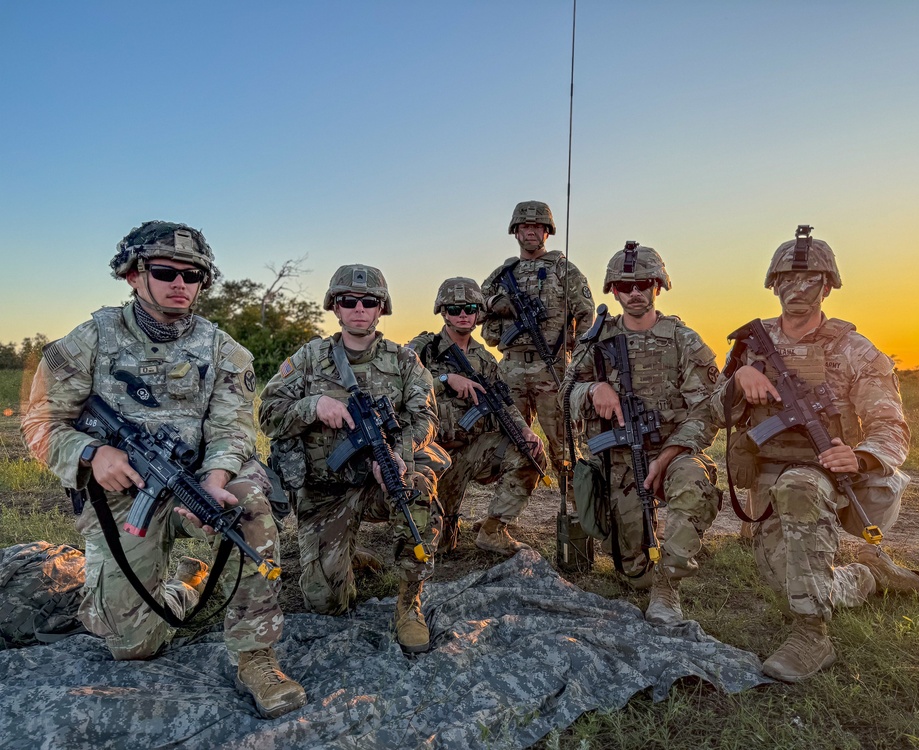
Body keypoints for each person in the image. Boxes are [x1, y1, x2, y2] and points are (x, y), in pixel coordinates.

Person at [21, 221, 306, 719]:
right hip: (124, 495)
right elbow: (40, 422)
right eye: (165, 271)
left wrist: (214, 481)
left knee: (251, 508)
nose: (180, 283)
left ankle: (256, 657)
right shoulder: (89, 340)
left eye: (192, 274)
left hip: (198, 480)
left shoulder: (223, 350)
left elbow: (234, 431)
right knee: (132, 646)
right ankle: (182, 583)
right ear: (134, 275)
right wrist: (93, 454)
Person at [711, 226, 919, 683]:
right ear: (773, 285)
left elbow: (891, 427)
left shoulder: (854, 351)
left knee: (800, 485)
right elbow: (713, 409)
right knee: (780, 575)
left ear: (827, 286)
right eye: (787, 280)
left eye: (810, 280)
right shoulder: (751, 344)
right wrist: (738, 380)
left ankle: (813, 636)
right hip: (766, 477)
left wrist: (862, 457)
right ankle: (865, 577)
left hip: (821, 477)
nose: (798, 290)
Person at [259, 265, 443, 655]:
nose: (359, 308)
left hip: (382, 479)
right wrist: (313, 405)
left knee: (419, 493)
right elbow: (268, 413)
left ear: (381, 309)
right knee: (325, 604)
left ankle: (410, 603)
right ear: (336, 308)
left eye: (369, 302)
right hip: (326, 490)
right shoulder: (309, 358)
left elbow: (426, 418)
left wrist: (398, 453)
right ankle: (345, 548)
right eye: (349, 301)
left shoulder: (404, 361)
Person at [561, 243, 721, 624]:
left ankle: (668, 586)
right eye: (624, 285)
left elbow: (708, 408)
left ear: (658, 287)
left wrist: (668, 457)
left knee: (693, 481)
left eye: (643, 284)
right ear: (613, 291)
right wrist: (593, 390)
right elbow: (565, 394)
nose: (634, 293)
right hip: (620, 458)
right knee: (633, 574)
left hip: (674, 451)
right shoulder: (597, 340)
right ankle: (656, 560)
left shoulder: (684, 340)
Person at [407, 278, 546, 555]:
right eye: (455, 309)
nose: (463, 314)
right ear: (443, 312)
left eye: (470, 308)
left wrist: (526, 431)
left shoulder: (485, 359)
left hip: (473, 450)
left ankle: (493, 529)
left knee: (530, 454)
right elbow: (400, 388)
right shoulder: (424, 349)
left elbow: (504, 403)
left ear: (478, 313)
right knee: (439, 549)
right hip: (431, 455)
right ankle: (424, 517)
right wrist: (446, 379)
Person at [481, 201, 595, 491]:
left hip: (552, 367)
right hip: (511, 367)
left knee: (564, 444)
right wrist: (495, 303)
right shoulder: (503, 274)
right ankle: (502, 517)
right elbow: (473, 303)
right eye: (524, 226)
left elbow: (586, 314)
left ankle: (577, 511)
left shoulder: (563, 269)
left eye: (537, 226)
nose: (530, 231)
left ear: (547, 231)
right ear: (515, 231)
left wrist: (578, 361)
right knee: (512, 442)